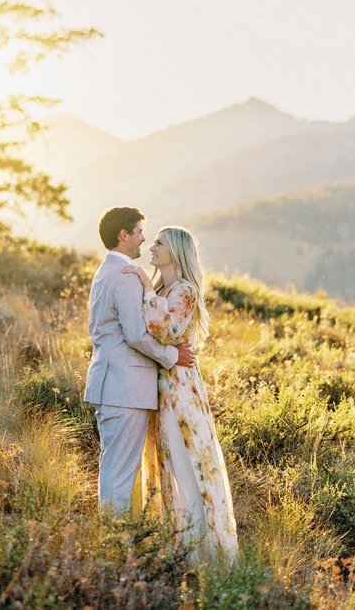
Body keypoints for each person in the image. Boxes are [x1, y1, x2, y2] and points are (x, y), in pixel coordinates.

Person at [123, 225, 239, 563]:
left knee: (188, 467)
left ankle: (203, 555)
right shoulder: (165, 288)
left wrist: (146, 288)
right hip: (161, 389)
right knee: (168, 466)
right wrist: (151, 289)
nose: (152, 246)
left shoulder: (184, 291)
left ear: (175, 251)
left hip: (180, 393)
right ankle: (177, 549)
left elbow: (167, 330)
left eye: (159, 242)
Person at [83, 207, 197, 516]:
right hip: (125, 387)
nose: (143, 240)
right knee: (120, 474)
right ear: (124, 235)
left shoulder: (105, 271)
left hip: (112, 385)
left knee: (113, 468)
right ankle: (114, 544)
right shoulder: (124, 277)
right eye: (139, 233)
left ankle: (110, 539)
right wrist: (173, 356)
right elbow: (135, 335)